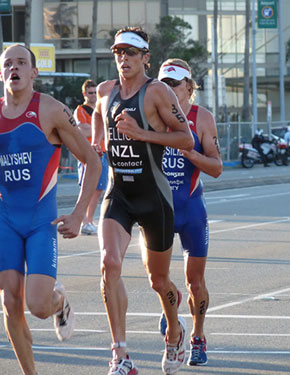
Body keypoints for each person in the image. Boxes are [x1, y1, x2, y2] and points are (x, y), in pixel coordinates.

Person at [92, 27, 194, 375]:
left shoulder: (158, 92)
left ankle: (175, 332)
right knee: (109, 264)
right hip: (118, 193)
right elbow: (99, 127)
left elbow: (187, 139)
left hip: (153, 196)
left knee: (159, 282)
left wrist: (142, 134)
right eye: (118, 51)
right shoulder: (106, 93)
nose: (123, 58)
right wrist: (93, 141)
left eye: (131, 52)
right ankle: (120, 355)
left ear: (145, 57)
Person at [0, 44, 100, 375]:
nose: (13, 69)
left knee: (38, 306)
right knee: (10, 302)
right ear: (1, 73)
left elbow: (93, 160)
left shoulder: (51, 111)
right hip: (5, 222)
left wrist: (77, 213)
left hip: (41, 222)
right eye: (7, 64)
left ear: (33, 72)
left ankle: (59, 300)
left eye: (21, 63)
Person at [157, 58, 223, 366]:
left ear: (188, 87)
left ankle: (197, 336)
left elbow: (217, 168)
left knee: (195, 281)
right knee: (158, 280)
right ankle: (172, 311)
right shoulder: (151, 114)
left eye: (174, 84)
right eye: (163, 83)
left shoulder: (202, 118)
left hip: (191, 209)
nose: (168, 89)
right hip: (157, 209)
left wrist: (191, 153)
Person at [74, 79, 108, 235]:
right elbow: (83, 130)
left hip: (103, 152)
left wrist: (95, 130)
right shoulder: (81, 110)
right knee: (89, 189)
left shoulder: (102, 108)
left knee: (99, 189)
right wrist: (100, 131)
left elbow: (92, 129)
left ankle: (89, 220)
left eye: (95, 92)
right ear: (84, 93)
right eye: (90, 93)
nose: (93, 95)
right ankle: (85, 221)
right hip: (88, 154)